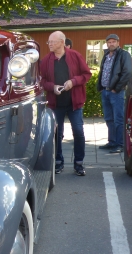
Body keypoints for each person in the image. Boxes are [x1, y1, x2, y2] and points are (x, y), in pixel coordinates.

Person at [40, 31, 91, 176]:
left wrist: (73, 82)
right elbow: (41, 80)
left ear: (62, 42)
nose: (49, 44)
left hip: (74, 103)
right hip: (56, 104)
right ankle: (58, 162)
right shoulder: (46, 60)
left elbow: (86, 74)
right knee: (57, 134)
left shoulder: (75, 56)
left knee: (79, 132)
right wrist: (52, 87)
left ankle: (79, 164)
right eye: (48, 42)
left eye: (52, 42)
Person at [96, 33, 132, 153]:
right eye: (109, 42)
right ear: (106, 43)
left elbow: (127, 73)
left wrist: (116, 88)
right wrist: (101, 87)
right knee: (108, 118)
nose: (111, 44)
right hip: (105, 91)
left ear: (118, 42)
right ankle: (112, 142)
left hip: (116, 92)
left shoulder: (124, 55)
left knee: (118, 119)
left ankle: (120, 144)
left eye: (113, 42)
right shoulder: (106, 55)